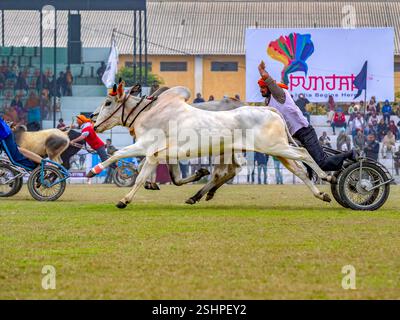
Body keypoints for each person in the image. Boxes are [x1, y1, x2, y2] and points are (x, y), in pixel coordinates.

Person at [257, 60, 356, 173]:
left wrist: (261, 70)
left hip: (305, 131)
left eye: (263, 88)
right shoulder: (267, 102)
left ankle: (349, 154)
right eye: (260, 88)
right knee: (311, 163)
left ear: (270, 88)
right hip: (295, 136)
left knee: (322, 163)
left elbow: (266, 78)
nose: (261, 90)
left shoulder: (278, 94)